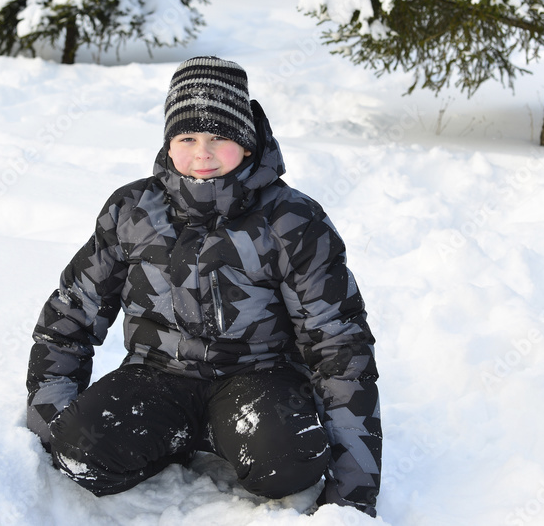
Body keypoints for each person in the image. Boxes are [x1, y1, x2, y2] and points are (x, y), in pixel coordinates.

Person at [25, 56, 382, 516]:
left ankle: (226, 432)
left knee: (288, 466)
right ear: (169, 143)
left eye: (220, 137)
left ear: (248, 145)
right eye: (187, 137)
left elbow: (338, 344)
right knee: (77, 452)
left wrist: (353, 494)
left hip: (258, 379)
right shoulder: (132, 210)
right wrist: (53, 428)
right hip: (156, 375)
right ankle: (174, 435)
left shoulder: (293, 221)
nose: (202, 153)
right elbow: (72, 313)